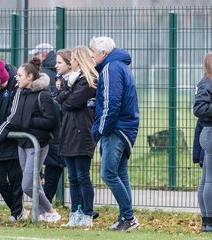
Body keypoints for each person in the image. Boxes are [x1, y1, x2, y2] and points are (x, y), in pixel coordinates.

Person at [0, 58, 61, 223]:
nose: (16, 78)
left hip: (37, 144)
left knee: (27, 186)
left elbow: (50, 120)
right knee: (33, 182)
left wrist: (28, 121)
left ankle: (51, 211)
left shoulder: (43, 95)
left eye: (20, 75)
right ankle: (43, 212)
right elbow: (14, 115)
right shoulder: (19, 92)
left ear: (30, 77)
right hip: (22, 143)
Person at [90, 36, 140, 231]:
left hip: (116, 128)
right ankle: (125, 218)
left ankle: (128, 216)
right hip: (124, 126)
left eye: (94, 51)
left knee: (108, 173)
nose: (92, 55)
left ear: (103, 53)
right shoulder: (118, 66)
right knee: (120, 173)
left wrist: (101, 129)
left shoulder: (111, 68)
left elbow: (112, 103)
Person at [57, 46, 98, 228]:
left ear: (79, 61)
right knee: (72, 178)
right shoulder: (71, 81)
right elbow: (63, 101)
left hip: (82, 134)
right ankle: (76, 213)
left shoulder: (87, 80)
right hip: (68, 133)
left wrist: (64, 93)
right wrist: (64, 93)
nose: (70, 62)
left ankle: (87, 213)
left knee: (82, 176)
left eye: (72, 59)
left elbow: (70, 103)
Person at [0, 59, 28, 222]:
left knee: (17, 180)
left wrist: (1, 132)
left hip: (11, 140)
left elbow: (13, 113)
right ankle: (17, 210)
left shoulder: (16, 86)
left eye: (1, 84)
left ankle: (17, 213)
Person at [42, 49, 72, 203]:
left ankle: (82, 209)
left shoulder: (74, 83)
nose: (56, 66)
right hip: (56, 136)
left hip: (68, 136)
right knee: (52, 176)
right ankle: (44, 209)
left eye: (59, 63)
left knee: (77, 176)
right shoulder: (57, 80)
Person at [193, 51, 212, 233]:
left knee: (206, 179)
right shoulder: (206, 83)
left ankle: (206, 222)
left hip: (207, 133)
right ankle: (208, 221)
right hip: (210, 133)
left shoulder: (207, 83)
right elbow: (199, 108)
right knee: (210, 180)